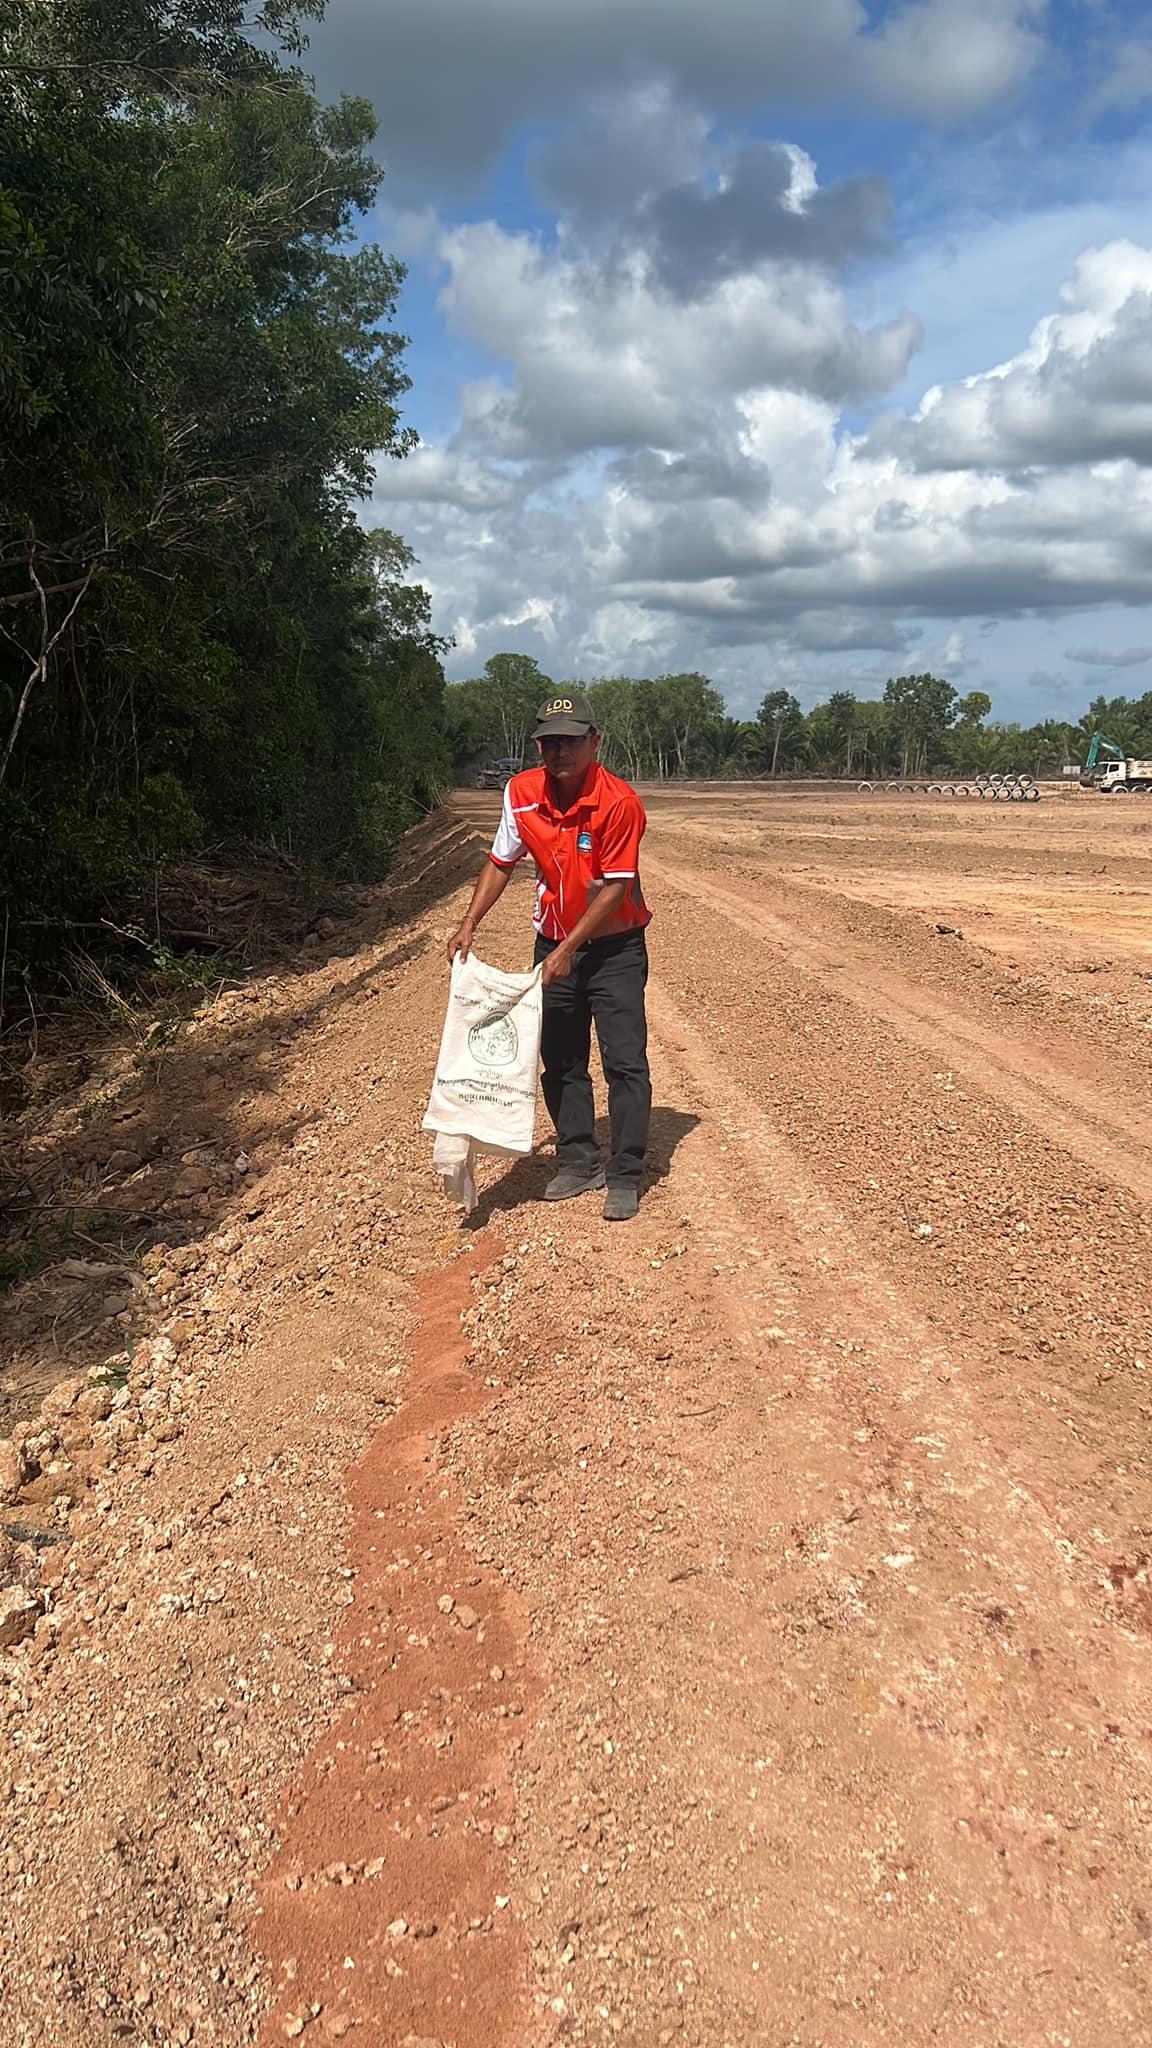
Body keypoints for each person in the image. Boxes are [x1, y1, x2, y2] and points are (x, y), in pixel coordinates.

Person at [447, 692, 652, 1222]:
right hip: (554, 946)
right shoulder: (521, 793)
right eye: (549, 740)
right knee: (560, 1059)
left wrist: (567, 949)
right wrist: (469, 923)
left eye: (570, 740)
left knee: (624, 1062)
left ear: (594, 742)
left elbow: (613, 890)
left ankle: (626, 1172)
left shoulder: (618, 803)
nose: (558, 750)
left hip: (614, 951)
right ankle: (579, 1158)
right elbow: (500, 862)